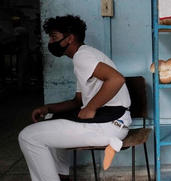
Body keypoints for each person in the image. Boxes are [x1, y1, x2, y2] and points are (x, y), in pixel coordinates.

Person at [18, 15, 132, 181]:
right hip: (113, 121)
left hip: (111, 124)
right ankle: (62, 176)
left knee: (27, 136)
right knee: (51, 118)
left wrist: (90, 108)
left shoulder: (83, 56)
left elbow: (117, 79)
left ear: (69, 38)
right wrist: (48, 108)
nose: (50, 42)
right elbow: (77, 102)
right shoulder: (85, 56)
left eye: (54, 37)